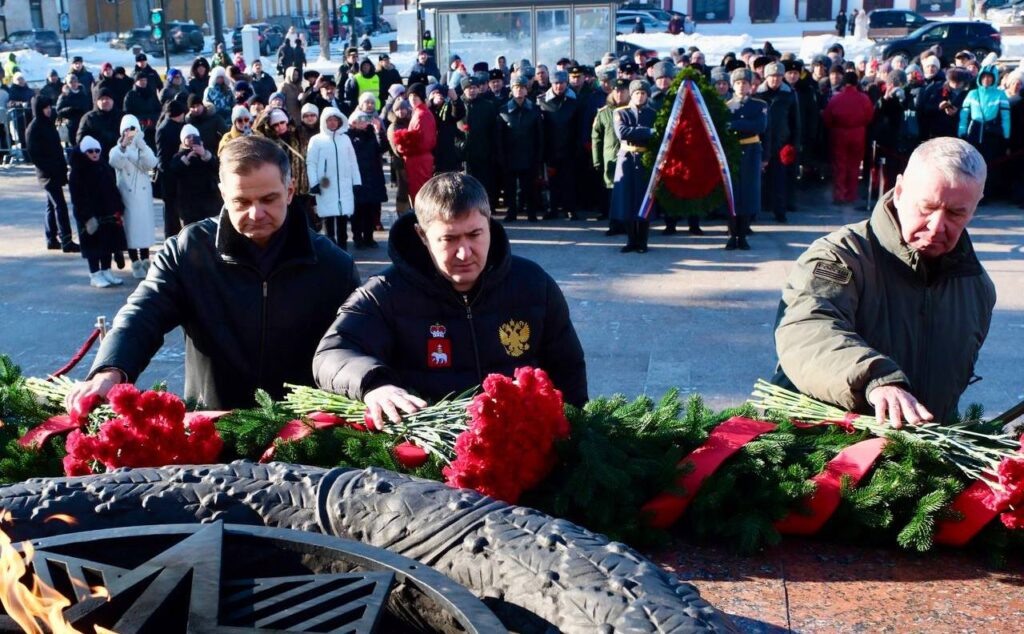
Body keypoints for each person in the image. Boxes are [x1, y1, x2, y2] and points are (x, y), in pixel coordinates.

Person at [66, 136, 360, 412]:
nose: (256, 213)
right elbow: (144, 313)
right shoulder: (188, 251)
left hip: (303, 437)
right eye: (241, 202)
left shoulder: (333, 266)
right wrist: (110, 368)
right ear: (223, 195)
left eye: (269, 199)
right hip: (210, 431)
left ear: (290, 191)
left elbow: (353, 345)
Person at [312, 172, 587, 428]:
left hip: (520, 446)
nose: (464, 253)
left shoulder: (533, 284)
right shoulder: (385, 293)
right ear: (422, 236)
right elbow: (331, 354)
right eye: (449, 239)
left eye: (475, 234)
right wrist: (374, 384)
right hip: (429, 457)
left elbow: (568, 370)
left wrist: (574, 437)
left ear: (489, 224)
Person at [773, 138, 995, 427]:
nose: (937, 225)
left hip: (910, 461)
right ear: (900, 190)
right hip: (823, 455)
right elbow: (806, 329)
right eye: (927, 207)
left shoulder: (976, 287)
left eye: (956, 213)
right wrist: (876, 380)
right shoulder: (839, 256)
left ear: (974, 208)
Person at [69, 136, 125, 288]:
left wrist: (118, 207)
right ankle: (94, 273)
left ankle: (106, 270)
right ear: (83, 152)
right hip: (89, 213)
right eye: (90, 151)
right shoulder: (77, 172)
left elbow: (112, 188)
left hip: (106, 211)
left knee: (108, 243)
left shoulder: (104, 167)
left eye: (97, 151)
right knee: (93, 245)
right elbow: (77, 197)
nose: (94, 154)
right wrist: (86, 216)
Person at [26, 95, 79, 252]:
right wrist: (49, 169)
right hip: (48, 173)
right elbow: (34, 154)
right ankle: (66, 240)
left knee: (51, 205)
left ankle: (51, 238)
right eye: (45, 108)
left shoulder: (47, 124)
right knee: (60, 205)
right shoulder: (34, 128)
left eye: (50, 107)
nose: (49, 110)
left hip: (55, 171)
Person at [108, 114, 158, 278]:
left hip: (143, 195)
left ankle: (145, 258)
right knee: (131, 229)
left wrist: (142, 144)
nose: (130, 133)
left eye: (133, 129)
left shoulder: (142, 147)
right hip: (127, 194)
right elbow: (116, 162)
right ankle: (135, 261)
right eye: (127, 129)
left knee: (143, 228)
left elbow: (151, 163)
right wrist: (123, 145)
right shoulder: (117, 149)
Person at [611, 80, 656, 253]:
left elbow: (657, 134)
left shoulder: (653, 113)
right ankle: (631, 240)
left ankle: (643, 241)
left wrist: (639, 131)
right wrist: (647, 131)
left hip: (645, 159)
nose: (640, 96)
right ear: (632, 94)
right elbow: (622, 132)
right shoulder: (620, 112)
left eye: (643, 93)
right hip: (627, 159)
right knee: (627, 200)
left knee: (644, 200)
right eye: (637, 93)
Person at [725, 68, 768, 250]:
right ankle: (731, 234)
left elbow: (760, 126)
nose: (742, 86)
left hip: (751, 150)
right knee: (732, 194)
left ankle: (742, 235)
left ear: (751, 86)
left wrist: (735, 125)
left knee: (748, 193)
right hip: (733, 151)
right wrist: (743, 126)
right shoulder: (726, 106)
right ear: (733, 86)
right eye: (738, 83)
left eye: (745, 83)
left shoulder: (759, 104)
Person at [307, 107, 361, 249]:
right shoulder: (316, 140)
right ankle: (331, 249)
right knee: (328, 219)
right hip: (325, 185)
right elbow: (311, 162)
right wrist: (314, 183)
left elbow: (353, 161)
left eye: (334, 119)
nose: (332, 123)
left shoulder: (345, 139)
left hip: (344, 185)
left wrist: (356, 181)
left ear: (339, 121)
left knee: (343, 218)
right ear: (324, 122)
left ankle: (343, 248)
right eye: (329, 120)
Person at [757, 62, 800, 223]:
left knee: (779, 180)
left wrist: (794, 143)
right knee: (758, 180)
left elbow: (796, 121)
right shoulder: (758, 95)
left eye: (778, 77)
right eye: (772, 76)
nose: (775, 80)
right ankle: (756, 211)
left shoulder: (789, 95)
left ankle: (780, 211)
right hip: (760, 142)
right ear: (766, 77)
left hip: (781, 143)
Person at [496, 76, 543, 223]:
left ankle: (531, 212)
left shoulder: (534, 110)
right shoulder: (503, 111)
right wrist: (500, 156)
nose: (519, 90)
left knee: (529, 186)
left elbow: (540, 136)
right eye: (516, 87)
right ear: (511, 89)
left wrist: (539, 156)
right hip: (510, 155)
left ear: (526, 90)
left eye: (522, 87)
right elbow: (498, 137)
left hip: (529, 155)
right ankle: (512, 212)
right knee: (510, 188)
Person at [959, 64, 1010, 198]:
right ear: (980, 78)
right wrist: (962, 131)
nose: (986, 80)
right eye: (984, 77)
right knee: (973, 166)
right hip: (974, 133)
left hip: (991, 134)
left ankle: (987, 194)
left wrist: (1006, 135)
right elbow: (964, 114)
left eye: (990, 77)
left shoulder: (1000, 94)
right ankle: (973, 194)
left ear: (994, 79)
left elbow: (1005, 116)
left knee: (989, 165)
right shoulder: (972, 93)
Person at [822, 71, 873, 205]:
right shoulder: (864, 98)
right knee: (854, 165)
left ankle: (840, 195)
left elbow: (827, 118)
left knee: (840, 165)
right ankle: (851, 194)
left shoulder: (836, 98)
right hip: (858, 133)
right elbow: (869, 117)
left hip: (839, 133)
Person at [537, 70, 580, 220]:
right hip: (550, 150)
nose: (559, 86)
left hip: (569, 148)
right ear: (551, 84)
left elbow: (578, 127)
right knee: (551, 182)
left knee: (569, 181)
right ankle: (552, 209)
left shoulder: (573, 102)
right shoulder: (542, 102)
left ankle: (571, 209)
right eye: (556, 83)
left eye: (562, 83)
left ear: (566, 84)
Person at [348, 99, 388, 249]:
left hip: (373, 175)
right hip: (357, 177)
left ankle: (369, 237)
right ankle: (357, 237)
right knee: (357, 210)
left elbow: (383, 148)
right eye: (360, 120)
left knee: (371, 208)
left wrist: (379, 131)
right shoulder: (349, 136)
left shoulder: (372, 134)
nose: (363, 122)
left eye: (365, 119)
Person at [592, 79, 629, 235]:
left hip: (629, 158)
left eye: (622, 90)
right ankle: (614, 224)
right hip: (610, 160)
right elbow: (596, 138)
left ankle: (628, 224)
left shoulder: (632, 110)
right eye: (616, 91)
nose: (619, 94)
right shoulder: (604, 112)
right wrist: (597, 160)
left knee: (627, 193)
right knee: (611, 194)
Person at [459, 75, 499, 212]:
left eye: (475, 87)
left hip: (483, 152)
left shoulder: (487, 106)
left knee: (484, 183)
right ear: (463, 90)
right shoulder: (458, 106)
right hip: (464, 154)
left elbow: (494, 130)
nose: (472, 90)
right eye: (469, 88)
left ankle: (485, 208)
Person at [392, 83, 437, 204]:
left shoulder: (422, 114)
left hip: (418, 160)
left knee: (420, 195)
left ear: (421, 97)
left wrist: (402, 145)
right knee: (418, 193)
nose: (412, 99)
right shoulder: (418, 112)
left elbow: (423, 143)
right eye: (410, 96)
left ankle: (420, 221)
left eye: (415, 96)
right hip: (417, 159)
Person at [170, 124, 221, 225]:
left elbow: (217, 167)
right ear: (183, 140)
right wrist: (186, 159)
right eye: (188, 137)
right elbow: (173, 171)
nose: (191, 139)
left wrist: (204, 154)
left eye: (194, 136)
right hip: (188, 203)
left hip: (208, 200)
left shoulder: (205, 152)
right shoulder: (178, 156)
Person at [156, 100, 187, 236]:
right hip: (170, 177)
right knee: (171, 215)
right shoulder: (165, 129)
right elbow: (162, 160)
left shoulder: (175, 126)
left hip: (177, 175)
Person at [77, 87, 121, 156]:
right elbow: (80, 140)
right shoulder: (89, 118)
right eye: (102, 99)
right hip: (98, 156)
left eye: (108, 98)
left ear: (112, 101)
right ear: (96, 102)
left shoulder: (122, 116)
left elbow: (132, 134)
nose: (105, 101)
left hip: (120, 154)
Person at [123, 71, 161, 150]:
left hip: (153, 126)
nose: (143, 82)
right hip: (135, 127)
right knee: (132, 148)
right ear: (136, 82)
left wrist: (152, 119)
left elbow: (158, 109)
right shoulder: (130, 95)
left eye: (145, 80)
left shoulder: (151, 93)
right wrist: (142, 120)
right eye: (141, 80)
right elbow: (127, 114)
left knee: (152, 149)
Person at [56, 73, 91, 144]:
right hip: (70, 125)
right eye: (71, 82)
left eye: (75, 82)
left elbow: (89, 106)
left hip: (83, 123)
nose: (73, 84)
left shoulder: (83, 93)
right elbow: (58, 110)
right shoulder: (64, 96)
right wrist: (70, 109)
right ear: (67, 84)